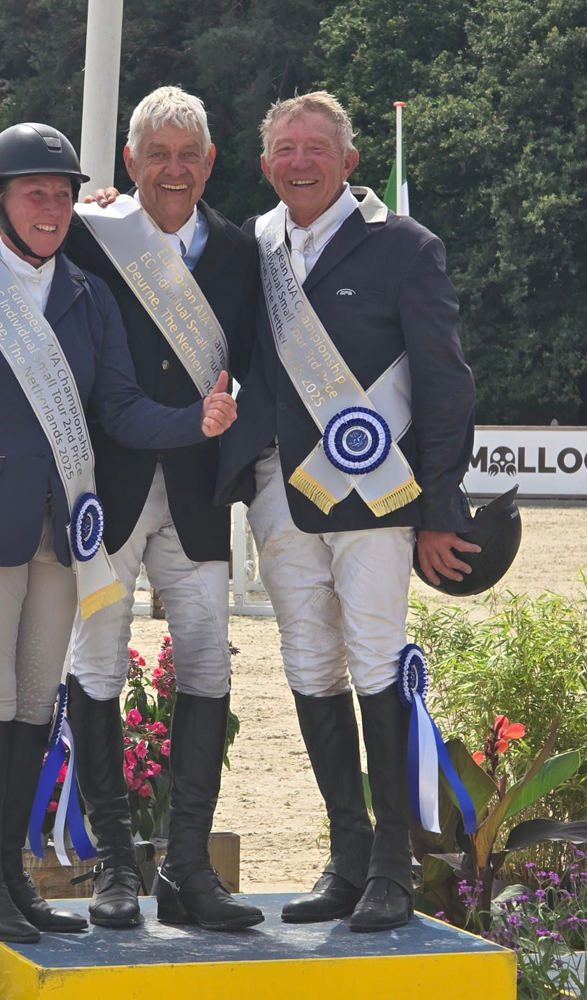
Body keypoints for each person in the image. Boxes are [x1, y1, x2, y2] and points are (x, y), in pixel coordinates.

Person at [0, 122, 237, 944]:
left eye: (65, 195)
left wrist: (195, 422)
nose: (54, 208)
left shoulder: (88, 295)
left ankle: (13, 878)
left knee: (37, 705)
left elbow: (119, 408)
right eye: (36, 193)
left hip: (64, 528)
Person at [215, 92, 478, 932]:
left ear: (350, 161)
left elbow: (444, 382)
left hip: (377, 493)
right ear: (266, 166)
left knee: (374, 659)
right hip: (278, 491)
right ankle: (348, 857)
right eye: (285, 149)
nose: (300, 162)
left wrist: (440, 508)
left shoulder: (406, 247)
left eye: (317, 148)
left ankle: (394, 867)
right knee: (308, 663)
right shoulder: (251, 244)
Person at [63, 87, 263, 931]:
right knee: (97, 664)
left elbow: (253, 360)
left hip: (197, 494)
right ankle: (112, 865)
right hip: (105, 490)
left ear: (209, 163)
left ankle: (187, 869)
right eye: (157, 155)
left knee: (209, 665)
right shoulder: (91, 234)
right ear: (129, 162)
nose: (173, 170)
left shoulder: (239, 251)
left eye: (188, 155)